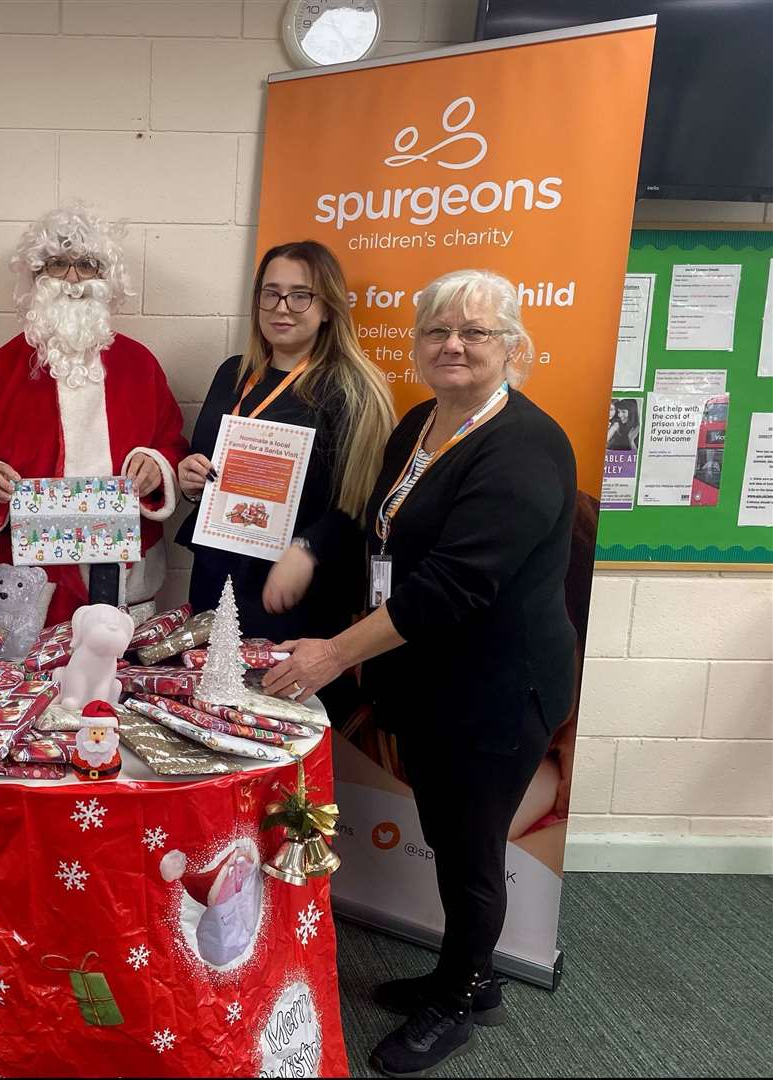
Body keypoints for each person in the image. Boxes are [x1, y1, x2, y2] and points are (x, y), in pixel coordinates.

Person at [262, 269, 578, 1077]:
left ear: (512, 346)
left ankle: (462, 998)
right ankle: (464, 979)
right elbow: (379, 527)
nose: (454, 346)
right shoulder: (418, 422)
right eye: (437, 331)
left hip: (497, 692)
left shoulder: (526, 447)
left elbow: (453, 585)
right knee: (446, 834)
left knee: (471, 851)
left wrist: (331, 652)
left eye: (475, 332)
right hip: (433, 683)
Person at [175, 241, 393, 722]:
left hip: (292, 589)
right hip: (219, 571)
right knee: (214, 710)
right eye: (270, 294)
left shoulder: (352, 388)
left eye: (300, 296)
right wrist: (191, 476)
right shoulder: (233, 373)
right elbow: (208, 461)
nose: (282, 308)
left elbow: (361, 502)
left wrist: (307, 548)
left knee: (279, 723)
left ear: (328, 307)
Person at [0, 203, 188, 628]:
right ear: (37, 278)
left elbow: (172, 443)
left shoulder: (140, 366)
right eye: (58, 265)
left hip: (121, 577)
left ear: (106, 279)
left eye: (88, 265)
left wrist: (158, 466)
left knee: (113, 687)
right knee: (22, 690)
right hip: (26, 582)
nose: (73, 279)